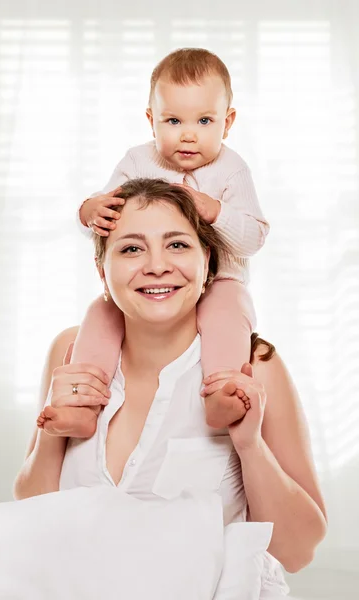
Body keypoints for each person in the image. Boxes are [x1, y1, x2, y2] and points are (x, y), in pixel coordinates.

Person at [15, 179, 327, 592]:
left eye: (177, 245)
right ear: (102, 271)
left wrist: (250, 446)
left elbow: (298, 552)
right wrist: (51, 431)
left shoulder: (253, 368)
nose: (157, 265)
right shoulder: (69, 352)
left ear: (207, 262)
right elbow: (33, 520)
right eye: (131, 248)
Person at [64, 47, 269, 437]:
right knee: (100, 315)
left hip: (219, 280)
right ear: (151, 120)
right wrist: (89, 209)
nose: (187, 134)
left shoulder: (232, 170)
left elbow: (254, 238)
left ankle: (220, 391)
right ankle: (82, 402)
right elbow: (104, 226)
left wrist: (215, 211)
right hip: (151, 286)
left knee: (229, 314)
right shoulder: (138, 161)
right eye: (173, 120)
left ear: (227, 123)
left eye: (204, 120)